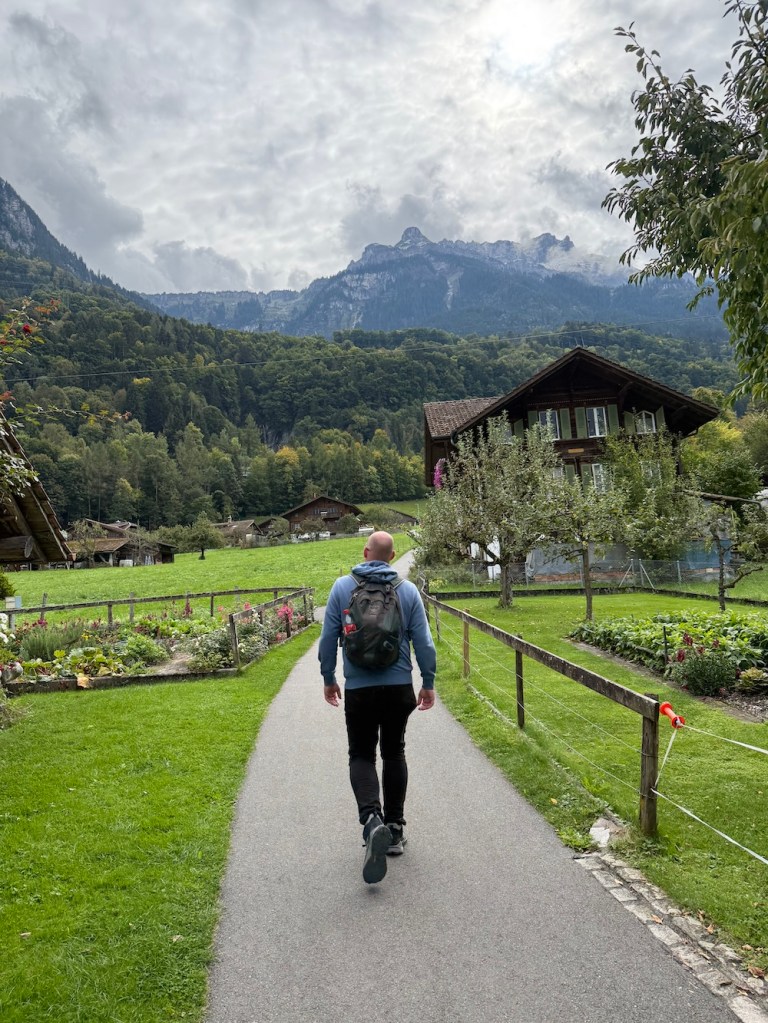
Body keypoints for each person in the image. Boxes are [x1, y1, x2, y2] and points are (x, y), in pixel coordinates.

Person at [319, 531, 436, 884]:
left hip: (359, 689)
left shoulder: (342, 587)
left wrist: (329, 677)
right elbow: (424, 642)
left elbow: (328, 639)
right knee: (394, 752)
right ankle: (395, 828)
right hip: (398, 685)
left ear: (365, 552)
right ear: (393, 555)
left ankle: (371, 821)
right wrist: (427, 682)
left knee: (361, 755)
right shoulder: (407, 590)